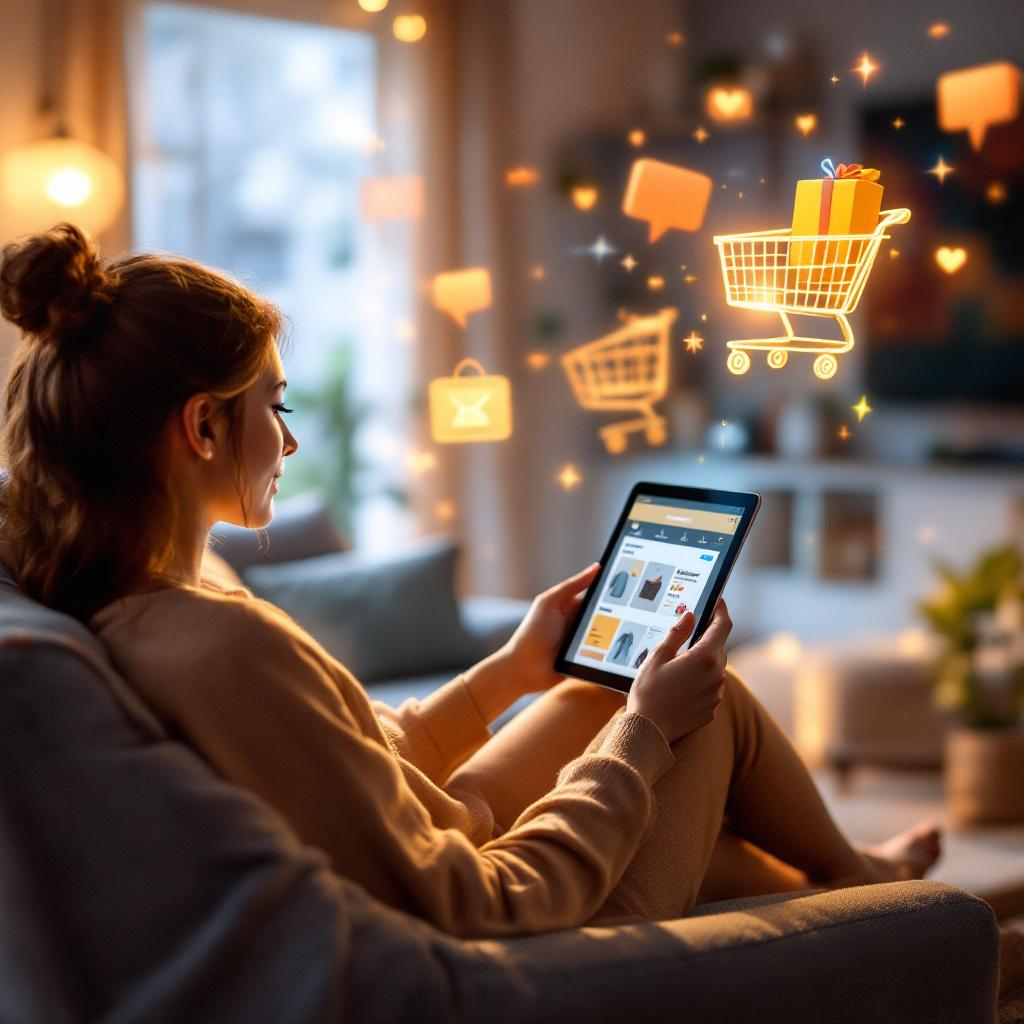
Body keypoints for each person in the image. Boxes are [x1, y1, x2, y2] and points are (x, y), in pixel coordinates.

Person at [0, 223, 942, 941]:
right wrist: (645, 735)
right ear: (202, 428)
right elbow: (478, 901)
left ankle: (852, 894)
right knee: (705, 707)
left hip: (455, 829)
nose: (289, 440)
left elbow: (355, 765)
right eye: (272, 408)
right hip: (527, 933)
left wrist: (510, 672)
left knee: (594, 684)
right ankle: (877, 902)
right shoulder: (221, 648)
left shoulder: (148, 600)